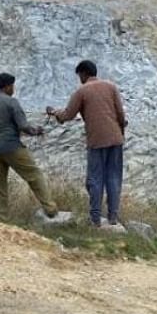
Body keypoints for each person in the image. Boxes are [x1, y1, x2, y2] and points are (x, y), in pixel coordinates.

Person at [46, 60, 127, 229]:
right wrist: (121, 133)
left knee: (95, 179)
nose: (79, 79)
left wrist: (54, 113)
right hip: (116, 139)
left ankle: (95, 218)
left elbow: (68, 115)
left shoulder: (81, 91)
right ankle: (113, 216)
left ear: (83, 73)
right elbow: (121, 114)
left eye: (79, 76)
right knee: (113, 177)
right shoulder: (111, 87)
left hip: (96, 141)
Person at [0, 73, 57, 220]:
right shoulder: (12, 102)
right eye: (12, 86)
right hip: (10, 146)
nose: (14, 89)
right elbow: (23, 126)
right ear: (7, 87)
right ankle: (50, 209)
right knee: (34, 174)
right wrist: (36, 131)